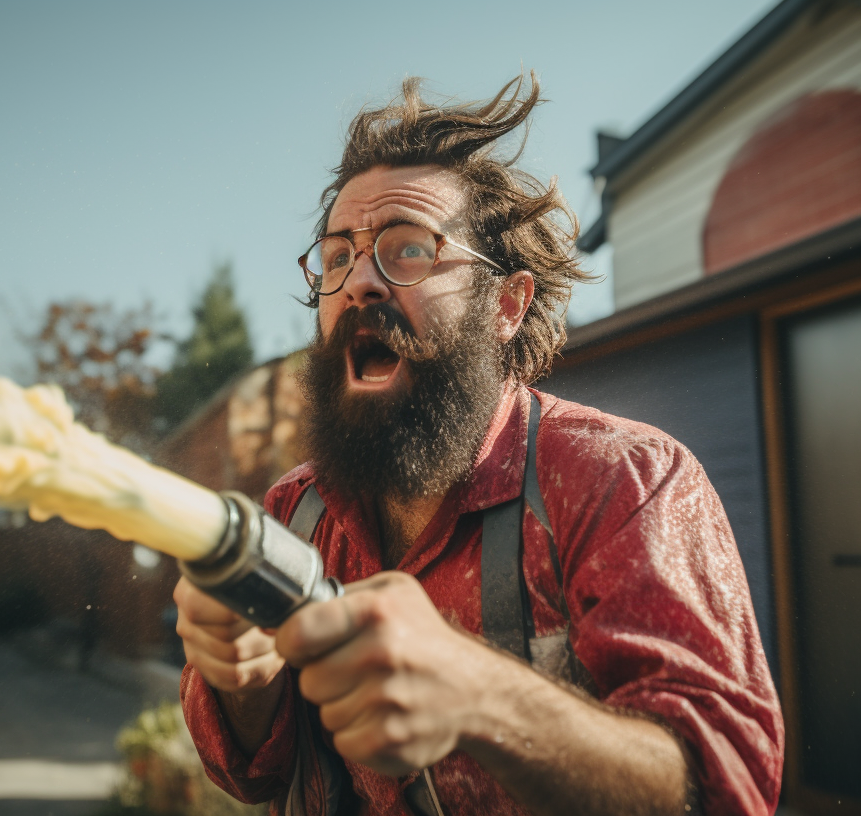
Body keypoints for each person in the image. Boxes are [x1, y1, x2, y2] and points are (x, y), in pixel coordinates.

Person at [175, 74, 783, 816]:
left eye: (408, 250)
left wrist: (481, 696)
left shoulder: (622, 483)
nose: (359, 281)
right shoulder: (292, 516)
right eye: (336, 258)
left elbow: (723, 790)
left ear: (505, 304)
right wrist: (245, 679)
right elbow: (250, 776)